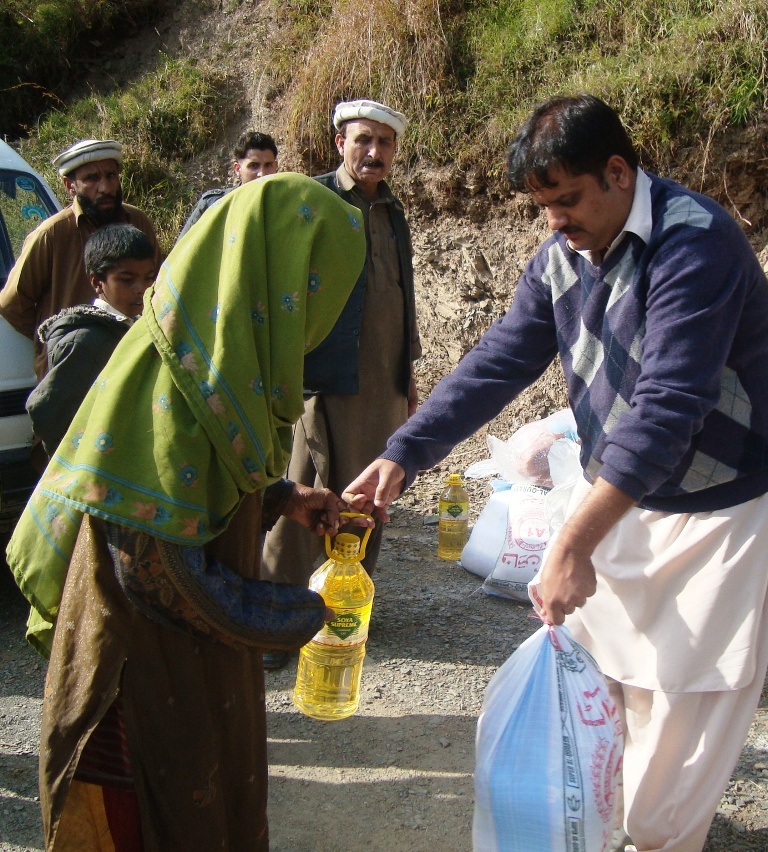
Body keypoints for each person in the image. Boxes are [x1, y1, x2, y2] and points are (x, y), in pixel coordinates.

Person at [343, 94, 768, 852]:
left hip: (718, 515)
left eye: (567, 200)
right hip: (622, 497)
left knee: (681, 726)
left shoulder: (695, 246)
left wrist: (572, 543)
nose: (555, 222)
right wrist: (403, 453)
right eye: (543, 206)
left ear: (618, 172)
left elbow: (669, 408)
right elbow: (499, 361)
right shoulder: (561, 257)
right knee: (602, 696)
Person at [6, 172, 367, 850]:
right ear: (276, 279)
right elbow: (152, 568)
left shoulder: (227, 363)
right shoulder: (167, 376)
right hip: (138, 671)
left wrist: (284, 498)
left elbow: (207, 480)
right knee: (160, 815)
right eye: (317, 282)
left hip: (196, 663)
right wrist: (301, 615)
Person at [259, 98, 422, 669]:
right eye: (362, 140)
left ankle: (343, 609)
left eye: (384, 142)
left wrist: (409, 376)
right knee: (304, 486)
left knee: (369, 496)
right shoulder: (316, 203)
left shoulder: (394, 211)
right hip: (319, 377)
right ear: (339, 143)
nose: (374, 152)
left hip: (382, 383)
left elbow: (403, 298)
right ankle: (278, 619)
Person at [0, 138, 162, 380]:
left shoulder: (137, 222)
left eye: (111, 175)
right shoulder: (52, 235)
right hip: (71, 374)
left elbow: (158, 284)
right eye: (92, 179)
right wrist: (53, 337)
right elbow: (12, 303)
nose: (105, 188)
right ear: (70, 185)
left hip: (131, 364)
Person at [26, 223, 157, 458]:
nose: (142, 289)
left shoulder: (136, 327)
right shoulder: (86, 342)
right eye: (127, 280)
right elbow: (50, 412)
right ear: (97, 282)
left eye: (149, 278)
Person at [178, 130, 279, 238]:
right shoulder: (213, 204)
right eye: (254, 166)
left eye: (268, 165)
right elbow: (181, 250)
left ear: (276, 166)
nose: (262, 174)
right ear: (237, 169)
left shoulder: (286, 205)